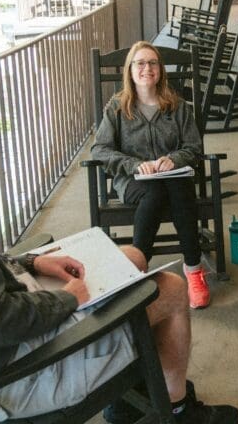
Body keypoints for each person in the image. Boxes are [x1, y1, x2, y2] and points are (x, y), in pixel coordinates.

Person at [0, 80, 238, 424]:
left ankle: (127, 399)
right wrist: (68, 299)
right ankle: (176, 416)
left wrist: (33, 262)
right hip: (13, 375)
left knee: (132, 256)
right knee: (172, 291)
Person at [90, 41, 212, 308]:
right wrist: (134, 165)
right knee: (158, 193)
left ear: (160, 69)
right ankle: (139, 271)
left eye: (153, 63)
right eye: (140, 63)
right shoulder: (117, 108)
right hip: (134, 181)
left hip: (174, 178)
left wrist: (174, 159)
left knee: (178, 188)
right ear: (130, 70)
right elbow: (100, 149)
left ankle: (192, 273)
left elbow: (194, 147)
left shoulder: (177, 106)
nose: (147, 68)